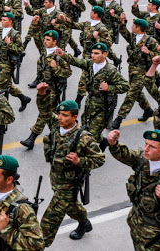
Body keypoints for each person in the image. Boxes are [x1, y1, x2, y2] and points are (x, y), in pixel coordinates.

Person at [40, 100, 105, 245]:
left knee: (49, 221)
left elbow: (100, 159)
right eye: (59, 114)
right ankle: (84, 222)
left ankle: (38, 245)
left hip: (69, 184)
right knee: (70, 206)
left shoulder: (84, 138)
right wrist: (42, 95)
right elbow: (44, 110)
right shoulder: (57, 126)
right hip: (56, 178)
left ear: (74, 117)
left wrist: (80, 161)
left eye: (64, 115)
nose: (59, 117)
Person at [54, 43, 130, 147]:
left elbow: (126, 86)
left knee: (90, 137)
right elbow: (77, 61)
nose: (93, 56)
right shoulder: (90, 64)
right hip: (89, 104)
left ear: (104, 54)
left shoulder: (111, 70)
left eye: (96, 53)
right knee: (86, 128)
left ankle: (93, 157)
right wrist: (63, 54)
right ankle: (104, 142)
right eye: (92, 53)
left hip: (102, 108)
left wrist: (110, 88)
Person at [108, 128, 160, 250]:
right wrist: (114, 144)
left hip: (155, 233)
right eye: (146, 144)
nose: (146, 149)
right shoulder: (142, 159)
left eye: (152, 147)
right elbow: (126, 154)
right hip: (136, 221)